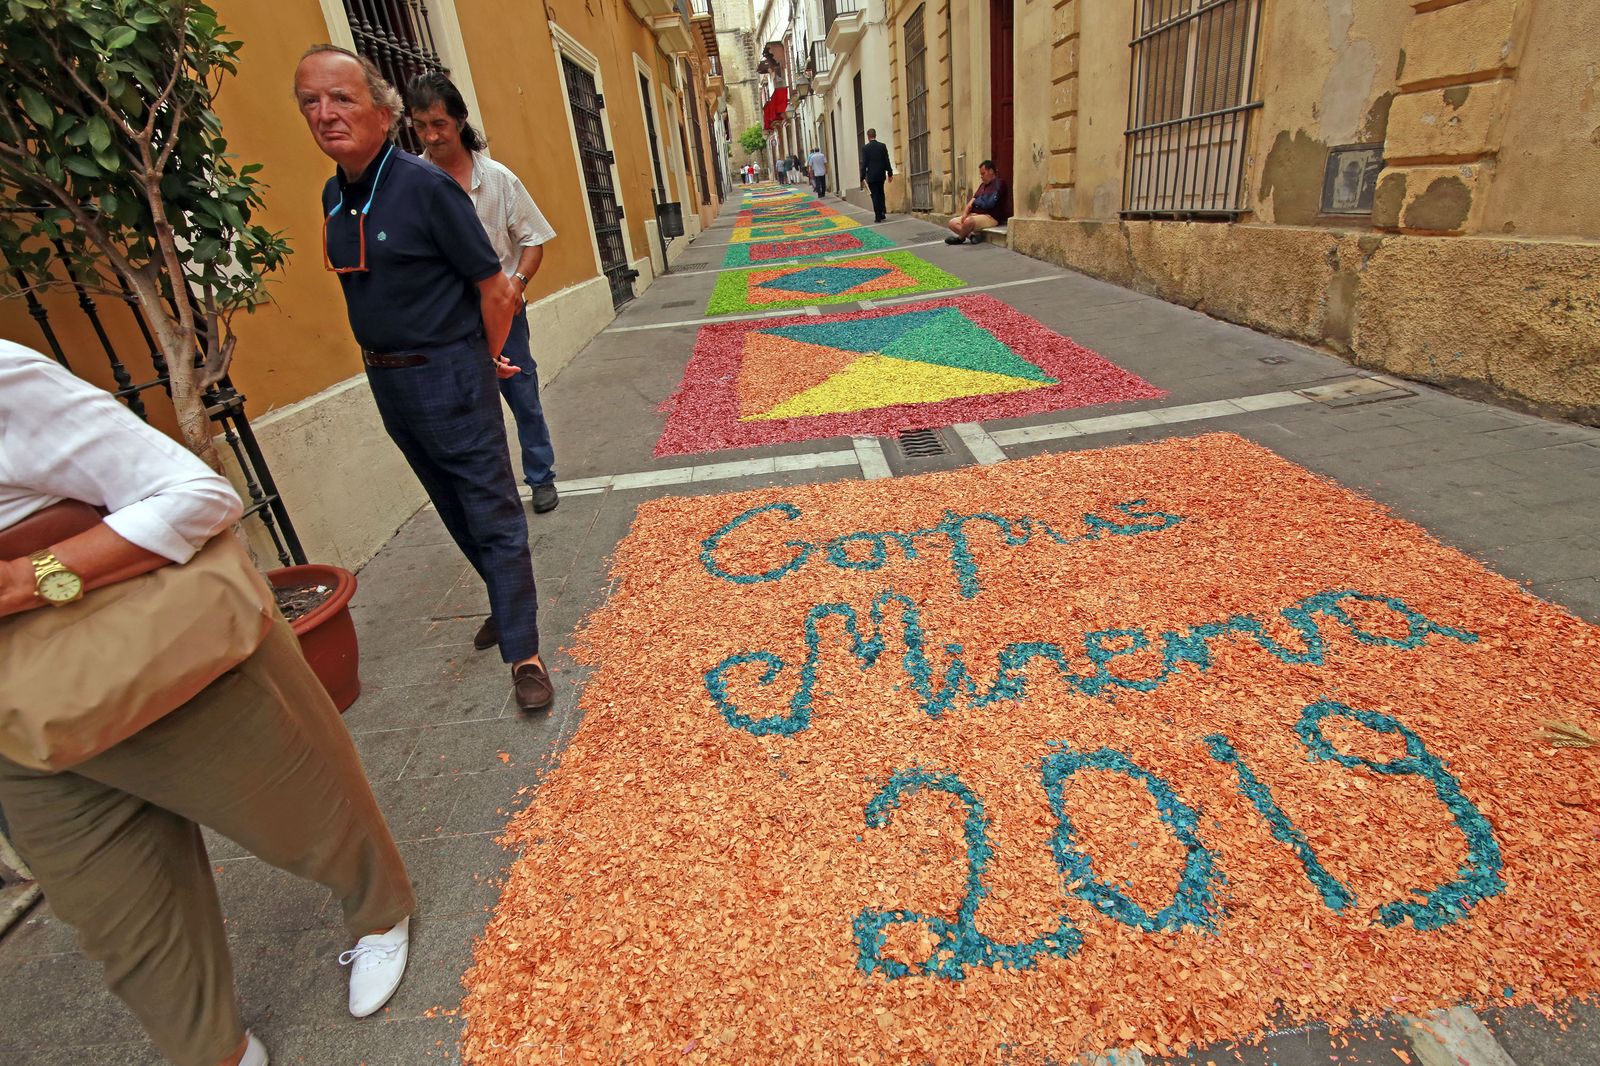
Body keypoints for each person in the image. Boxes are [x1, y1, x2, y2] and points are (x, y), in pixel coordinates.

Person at [0, 339, 416, 1066]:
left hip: (134, 642)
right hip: (17, 726)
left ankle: (380, 910)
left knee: (305, 808)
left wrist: (29, 581)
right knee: (117, 919)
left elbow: (197, 495)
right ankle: (215, 1050)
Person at [294, 44, 554, 713]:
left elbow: (496, 289)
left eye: (341, 99)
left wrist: (481, 356)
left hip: (450, 374)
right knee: (449, 505)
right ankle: (504, 599)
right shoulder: (335, 193)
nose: (325, 115)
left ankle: (525, 652)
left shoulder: (428, 186)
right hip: (388, 381)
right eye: (310, 103)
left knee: (493, 511)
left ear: (384, 114)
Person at [408, 72, 561, 517]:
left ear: (459, 120)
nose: (431, 136)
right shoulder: (414, 183)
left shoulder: (498, 179)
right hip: (446, 320)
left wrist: (516, 286)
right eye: (420, 126)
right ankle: (488, 494)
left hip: (503, 311)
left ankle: (541, 476)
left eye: (439, 124)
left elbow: (533, 240)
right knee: (466, 409)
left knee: (523, 396)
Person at [946, 158, 1011, 244]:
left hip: (990, 217)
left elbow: (989, 204)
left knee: (968, 221)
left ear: (991, 171)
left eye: (983, 173)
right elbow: (971, 203)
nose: (981, 176)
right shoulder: (982, 186)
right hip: (974, 214)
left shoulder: (1000, 183)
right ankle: (972, 236)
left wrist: (977, 202)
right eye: (980, 174)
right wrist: (964, 215)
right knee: (952, 223)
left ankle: (960, 239)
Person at [860, 128, 894, 223]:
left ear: (868, 136)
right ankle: (883, 212)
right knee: (881, 193)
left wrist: (862, 177)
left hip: (872, 176)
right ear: (875, 135)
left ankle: (877, 215)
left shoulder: (865, 148)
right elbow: (886, 161)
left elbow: (864, 164)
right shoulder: (882, 146)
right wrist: (890, 173)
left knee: (874, 195)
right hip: (880, 175)